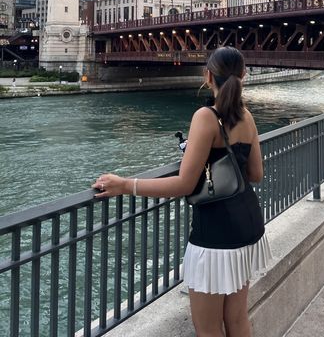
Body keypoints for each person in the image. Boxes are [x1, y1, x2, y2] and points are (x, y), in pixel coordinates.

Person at [92, 47, 271, 337]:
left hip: (214, 234)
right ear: (244, 76)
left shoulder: (205, 117)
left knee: (209, 329)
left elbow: (184, 184)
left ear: (207, 76)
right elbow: (256, 175)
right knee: (238, 319)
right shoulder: (247, 117)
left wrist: (125, 185)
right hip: (248, 227)